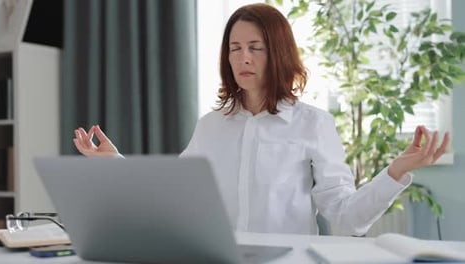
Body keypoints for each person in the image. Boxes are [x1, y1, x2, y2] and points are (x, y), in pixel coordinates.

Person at [73, 3, 450, 236]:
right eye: (235, 49)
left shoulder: (313, 124)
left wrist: (395, 173)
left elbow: (346, 218)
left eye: (256, 48)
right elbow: (176, 197)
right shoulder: (211, 124)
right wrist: (115, 164)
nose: (244, 59)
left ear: (279, 54)